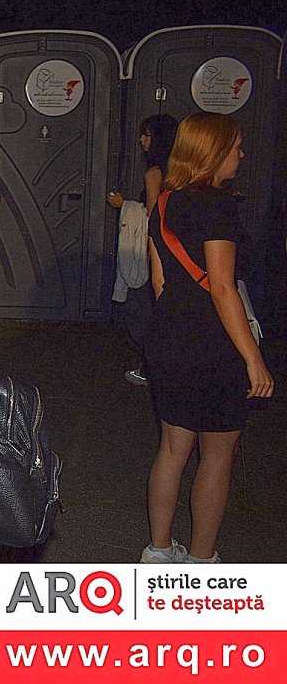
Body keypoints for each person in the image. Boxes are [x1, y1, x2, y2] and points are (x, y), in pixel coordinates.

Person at [141, 112, 274, 564]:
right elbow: (222, 287)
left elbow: (159, 282)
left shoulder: (164, 203)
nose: (242, 153)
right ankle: (201, 560)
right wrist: (253, 358)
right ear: (214, 152)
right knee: (217, 456)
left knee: (172, 448)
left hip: (168, 334)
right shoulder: (218, 206)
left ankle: (158, 550)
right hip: (214, 342)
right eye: (235, 146)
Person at [107, 113, 178, 386]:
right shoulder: (179, 170)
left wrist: (122, 204)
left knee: (140, 312)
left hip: (150, 253)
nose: (141, 140)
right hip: (173, 252)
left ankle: (152, 367)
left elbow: (152, 215)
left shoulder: (154, 173)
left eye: (147, 135)